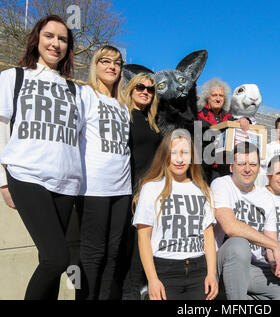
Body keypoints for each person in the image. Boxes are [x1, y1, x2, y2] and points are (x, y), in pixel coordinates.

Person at [0, 15, 83, 299]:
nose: (55, 43)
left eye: (62, 39)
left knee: (47, 261)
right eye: (49, 36)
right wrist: (2, 181)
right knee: (58, 258)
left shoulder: (74, 90)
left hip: (64, 182)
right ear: (37, 39)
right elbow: (0, 128)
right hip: (26, 175)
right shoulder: (14, 77)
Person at [211, 142, 280, 300]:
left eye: (253, 164)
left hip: (253, 267)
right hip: (223, 266)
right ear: (231, 167)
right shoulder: (221, 184)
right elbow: (230, 227)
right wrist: (275, 246)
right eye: (241, 163)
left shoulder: (266, 198)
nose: (247, 169)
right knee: (238, 244)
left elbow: (270, 242)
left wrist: (277, 262)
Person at [132, 129, 218, 300]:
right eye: (173, 153)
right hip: (164, 272)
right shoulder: (151, 188)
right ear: (165, 156)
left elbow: (208, 237)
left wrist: (211, 274)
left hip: (198, 271)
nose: (179, 159)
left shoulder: (202, 190)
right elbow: (143, 238)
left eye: (185, 153)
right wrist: (152, 279)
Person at [76, 45, 131, 300]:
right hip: (93, 186)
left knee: (113, 252)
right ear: (95, 65)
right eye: (105, 61)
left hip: (122, 188)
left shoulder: (122, 105)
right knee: (92, 253)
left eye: (117, 63)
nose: (112, 66)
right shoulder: (84, 94)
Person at [121, 73, 162, 300]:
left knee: (143, 245)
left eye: (150, 89)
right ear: (131, 89)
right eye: (140, 86)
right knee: (129, 246)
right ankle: (129, 293)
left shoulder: (152, 121)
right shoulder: (124, 116)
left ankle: (140, 290)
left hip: (149, 191)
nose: (145, 91)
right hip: (128, 190)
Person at [197, 78, 250, 184]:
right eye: (214, 95)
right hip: (204, 170)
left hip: (225, 169)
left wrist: (245, 120)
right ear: (207, 98)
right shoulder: (198, 116)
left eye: (221, 96)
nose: (218, 99)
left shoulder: (229, 118)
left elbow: (244, 127)